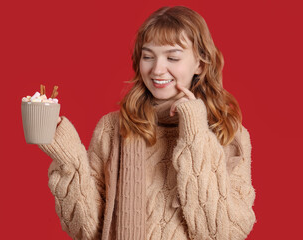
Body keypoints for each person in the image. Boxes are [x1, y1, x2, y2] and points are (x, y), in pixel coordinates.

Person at [38, 6, 256, 240]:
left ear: (200, 64)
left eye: (172, 57)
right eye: (148, 56)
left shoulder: (228, 134)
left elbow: (222, 234)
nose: (157, 69)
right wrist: (68, 158)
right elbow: (88, 232)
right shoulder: (113, 129)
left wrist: (194, 130)